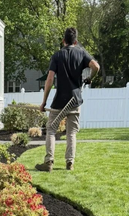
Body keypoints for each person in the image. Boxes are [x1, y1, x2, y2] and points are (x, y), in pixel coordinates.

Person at [35, 27, 100, 172]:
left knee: (51, 129)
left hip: (59, 101)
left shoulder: (57, 56)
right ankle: (69, 163)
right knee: (71, 133)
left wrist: (44, 102)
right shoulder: (81, 53)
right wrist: (90, 78)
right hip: (75, 100)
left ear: (63, 40)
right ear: (75, 41)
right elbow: (96, 66)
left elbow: (50, 79)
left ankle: (49, 162)